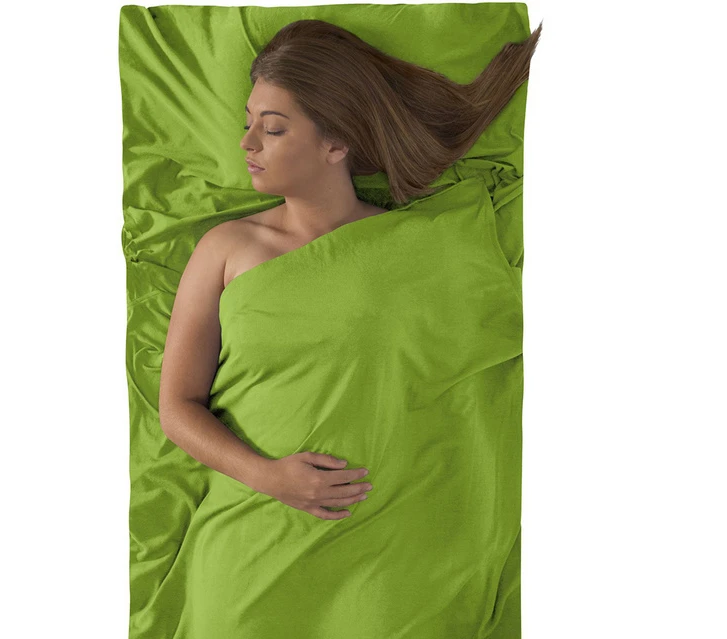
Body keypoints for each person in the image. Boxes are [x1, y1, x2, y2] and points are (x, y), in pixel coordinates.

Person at [158, 19, 541, 520]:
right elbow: (177, 407)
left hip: (397, 517)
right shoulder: (226, 247)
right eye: (247, 123)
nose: (247, 143)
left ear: (336, 145)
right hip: (255, 515)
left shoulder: (418, 245)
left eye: (272, 128)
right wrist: (268, 477)